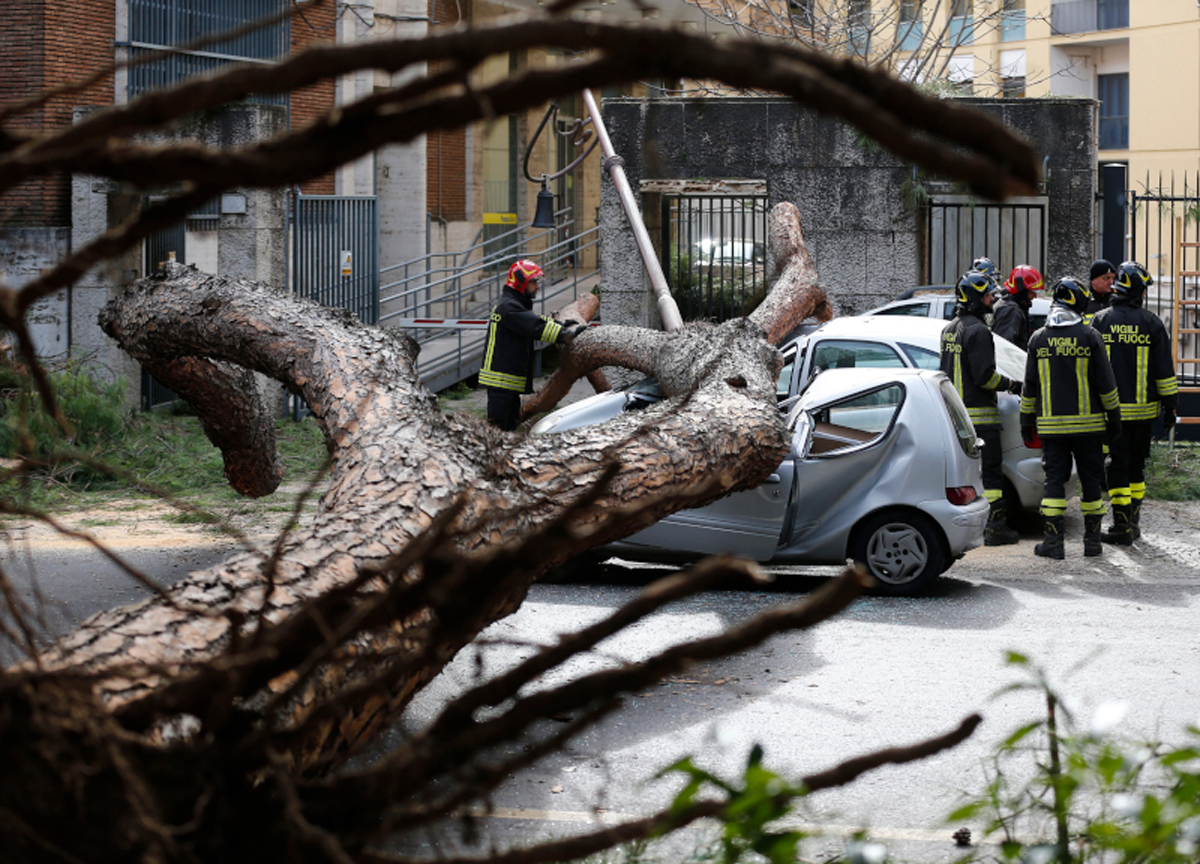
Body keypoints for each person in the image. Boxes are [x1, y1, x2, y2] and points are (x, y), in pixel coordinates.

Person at [1020, 277, 1122, 559]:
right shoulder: (1090, 337)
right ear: (1077, 302)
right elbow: (1106, 384)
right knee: (1091, 482)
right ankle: (1092, 543)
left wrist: (1026, 421)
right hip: (1090, 429)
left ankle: (1053, 544)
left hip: (1052, 429)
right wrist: (1114, 419)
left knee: (1054, 483)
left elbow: (1030, 387)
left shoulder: (1038, 339)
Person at [1090, 261, 1179, 544]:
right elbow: (1165, 371)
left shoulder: (1100, 321)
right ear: (1137, 291)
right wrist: (1170, 407)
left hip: (1111, 414)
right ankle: (1134, 523)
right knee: (1136, 468)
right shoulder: (1152, 323)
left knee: (1116, 466)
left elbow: (1088, 369)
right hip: (1144, 414)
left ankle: (1121, 525)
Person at [941, 270, 1023, 545]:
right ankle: (995, 527)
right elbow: (985, 376)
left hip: (956, 418)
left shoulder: (949, 329)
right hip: (981, 419)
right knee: (991, 475)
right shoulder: (978, 332)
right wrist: (1013, 384)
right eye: (987, 295)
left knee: (965, 476)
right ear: (975, 298)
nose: (991, 300)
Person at [480, 259, 586, 431]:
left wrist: (561, 325)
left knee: (508, 431)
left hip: (505, 383)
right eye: (533, 282)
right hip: (501, 383)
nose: (537, 286)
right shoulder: (509, 307)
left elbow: (535, 321)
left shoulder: (513, 305)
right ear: (521, 282)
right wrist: (564, 335)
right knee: (498, 433)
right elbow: (535, 327)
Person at [992, 264, 1044, 351]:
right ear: (1021, 290)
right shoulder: (1011, 311)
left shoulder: (1006, 305)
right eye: (1032, 291)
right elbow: (1004, 348)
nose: (1035, 296)